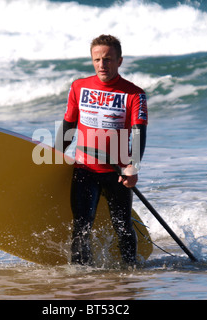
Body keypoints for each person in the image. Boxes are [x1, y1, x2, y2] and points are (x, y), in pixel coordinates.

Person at [55, 34, 148, 266]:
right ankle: (81, 275)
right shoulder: (79, 87)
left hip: (116, 172)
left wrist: (132, 167)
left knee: (123, 226)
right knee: (81, 226)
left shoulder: (134, 94)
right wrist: (54, 155)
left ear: (119, 61)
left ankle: (129, 272)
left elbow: (138, 132)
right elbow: (69, 125)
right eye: (97, 59)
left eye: (107, 59)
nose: (101, 65)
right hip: (84, 169)